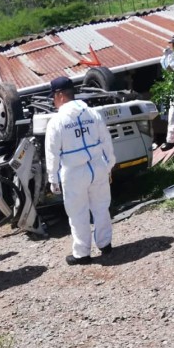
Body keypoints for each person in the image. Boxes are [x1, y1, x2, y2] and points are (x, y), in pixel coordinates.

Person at [45, 76, 116, 265]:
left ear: (60, 96)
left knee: (78, 213)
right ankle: (105, 244)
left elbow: (52, 153)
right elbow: (106, 140)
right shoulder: (92, 113)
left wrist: (53, 179)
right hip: (97, 166)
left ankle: (82, 254)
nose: (53, 100)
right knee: (101, 207)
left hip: (74, 172)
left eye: (53, 96)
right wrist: (109, 164)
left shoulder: (57, 121)